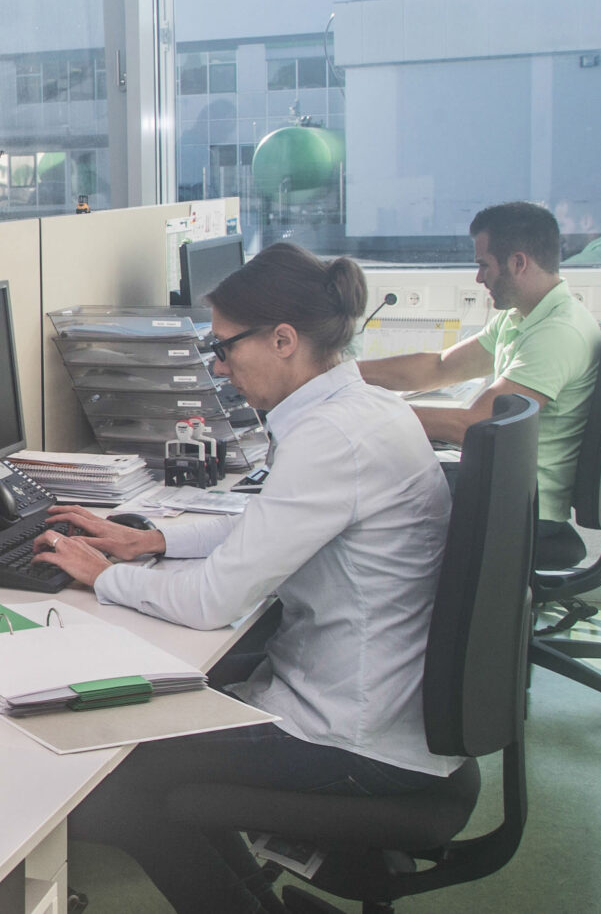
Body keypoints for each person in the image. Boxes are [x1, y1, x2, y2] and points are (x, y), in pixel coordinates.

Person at [33, 243, 455, 914]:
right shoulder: (363, 409)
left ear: (283, 339)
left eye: (225, 348)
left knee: (112, 776)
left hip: (349, 737)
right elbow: (271, 520)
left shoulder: (329, 439)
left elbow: (213, 600)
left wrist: (105, 576)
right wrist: (156, 538)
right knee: (153, 749)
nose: (221, 367)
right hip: (378, 710)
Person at [358, 200, 601, 566]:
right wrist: (345, 374)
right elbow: (440, 367)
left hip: (519, 505)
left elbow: (476, 425)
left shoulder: (557, 333)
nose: (478, 278)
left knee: (365, 498)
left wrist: (363, 413)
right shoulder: (523, 317)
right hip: (502, 484)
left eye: (483, 265)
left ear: (517, 263)